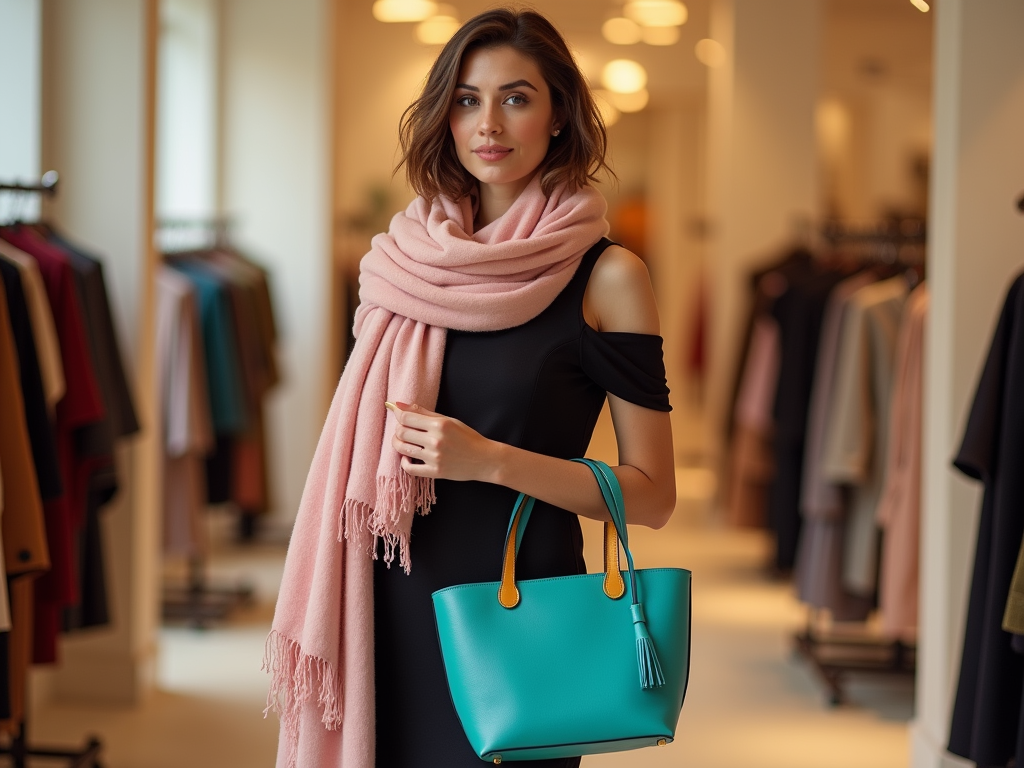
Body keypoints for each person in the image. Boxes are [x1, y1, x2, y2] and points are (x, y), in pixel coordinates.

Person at [266, 8, 676, 768]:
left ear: (559, 116)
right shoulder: (402, 261)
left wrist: (490, 460)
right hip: (382, 598)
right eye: (465, 99)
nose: (488, 122)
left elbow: (651, 494)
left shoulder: (608, 276)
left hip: (516, 611)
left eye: (517, 98)